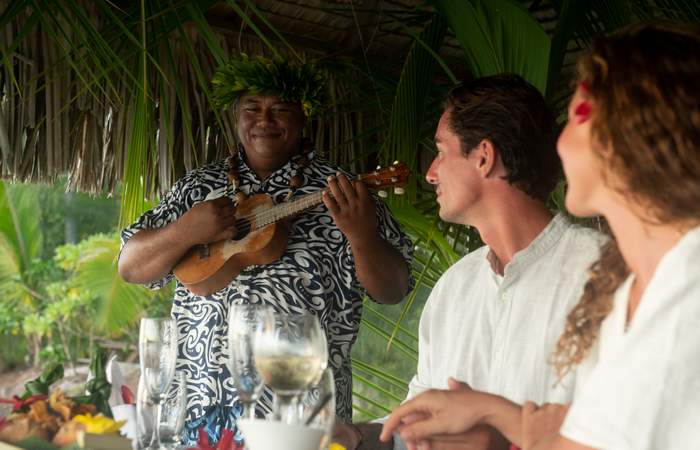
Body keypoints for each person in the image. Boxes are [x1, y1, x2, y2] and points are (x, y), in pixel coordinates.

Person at [379, 21, 700, 450]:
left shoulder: (681, 284)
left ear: (631, 130)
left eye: (578, 115)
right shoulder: (634, 286)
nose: (562, 142)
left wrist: (495, 422)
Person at [118, 55, 413, 444]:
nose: (264, 121)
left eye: (280, 110)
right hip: (201, 405)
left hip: (303, 412)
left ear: (303, 116)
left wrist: (362, 236)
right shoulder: (198, 187)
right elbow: (130, 267)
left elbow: (393, 291)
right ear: (236, 116)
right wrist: (186, 231)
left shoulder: (345, 191)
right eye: (252, 108)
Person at [334, 74, 603, 450]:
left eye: (442, 151)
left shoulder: (603, 275)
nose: (429, 173)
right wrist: (356, 438)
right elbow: (419, 423)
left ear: (483, 157)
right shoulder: (455, 286)